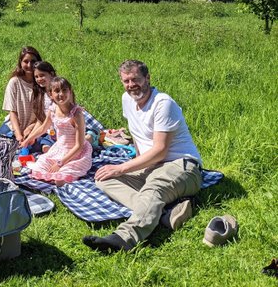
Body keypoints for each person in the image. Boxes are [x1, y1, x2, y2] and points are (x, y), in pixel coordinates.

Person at [83, 60, 202, 253]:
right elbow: (137, 135)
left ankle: (124, 238)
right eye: (126, 81)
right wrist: (133, 165)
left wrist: (123, 167)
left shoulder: (163, 103)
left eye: (135, 79)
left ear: (147, 78)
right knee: (104, 179)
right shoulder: (127, 100)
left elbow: (160, 150)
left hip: (182, 166)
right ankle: (165, 213)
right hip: (152, 166)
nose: (131, 85)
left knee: (153, 189)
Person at [22, 77, 93, 187]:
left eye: (64, 90)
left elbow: (79, 145)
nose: (61, 94)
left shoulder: (76, 114)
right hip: (59, 150)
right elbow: (43, 128)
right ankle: (53, 174)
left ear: (70, 91)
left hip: (75, 153)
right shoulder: (53, 109)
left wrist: (60, 163)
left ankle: (65, 174)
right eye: (57, 91)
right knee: (37, 169)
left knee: (60, 180)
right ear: (51, 94)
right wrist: (28, 139)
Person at [0, 46, 42, 146]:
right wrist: (18, 134)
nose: (29, 65)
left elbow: (44, 113)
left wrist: (31, 128)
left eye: (33, 61)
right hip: (13, 125)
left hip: (35, 126)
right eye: (26, 61)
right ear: (20, 63)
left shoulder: (41, 83)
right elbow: (12, 112)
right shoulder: (14, 82)